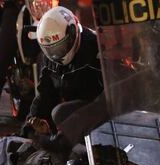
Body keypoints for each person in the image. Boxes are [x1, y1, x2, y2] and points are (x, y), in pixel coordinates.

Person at [20, 6, 103, 155]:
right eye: (51, 49)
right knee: (56, 113)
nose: (56, 55)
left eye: (60, 47)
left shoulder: (97, 48)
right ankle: (62, 141)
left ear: (72, 33)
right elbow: (44, 93)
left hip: (104, 109)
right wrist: (31, 124)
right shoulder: (50, 59)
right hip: (77, 109)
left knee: (60, 112)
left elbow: (111, 97)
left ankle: (65, 143)